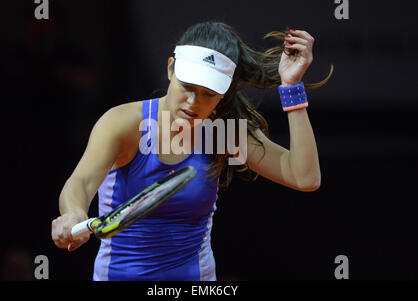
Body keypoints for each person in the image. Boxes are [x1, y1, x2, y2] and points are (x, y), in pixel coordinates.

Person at [51, 21, 331, 281]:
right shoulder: (124, 123)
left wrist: (291, 87)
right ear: (171, 68)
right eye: (187, 87)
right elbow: (82, 182)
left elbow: (305, 178)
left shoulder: (223, 131)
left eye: (209, 93)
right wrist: (73, 213)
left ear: (224, 93)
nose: (194, 102)